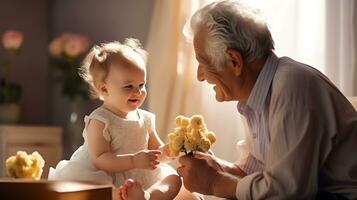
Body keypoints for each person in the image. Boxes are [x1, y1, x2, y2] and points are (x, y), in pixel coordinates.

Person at [176, 0, 357, 199]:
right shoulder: (256, 97)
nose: (200, 75)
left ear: (234, 61)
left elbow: (286, 192)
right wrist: (214, 168)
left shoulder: (292, 87)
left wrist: (214, 182)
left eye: (203, 62)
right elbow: (256, 173)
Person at [48, 39, 200, 200]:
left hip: (143, 176)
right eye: (129, 86)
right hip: (111, 177)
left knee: (174, 179)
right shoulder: (100, 120)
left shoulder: (145, 118)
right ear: (104, 88)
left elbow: (156, 152)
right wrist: (133, 160)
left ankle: (150, 196)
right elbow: (101, 159)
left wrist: (169, 150)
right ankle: (126, 196)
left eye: (141, 85)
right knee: (104, 191)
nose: (138, 91)